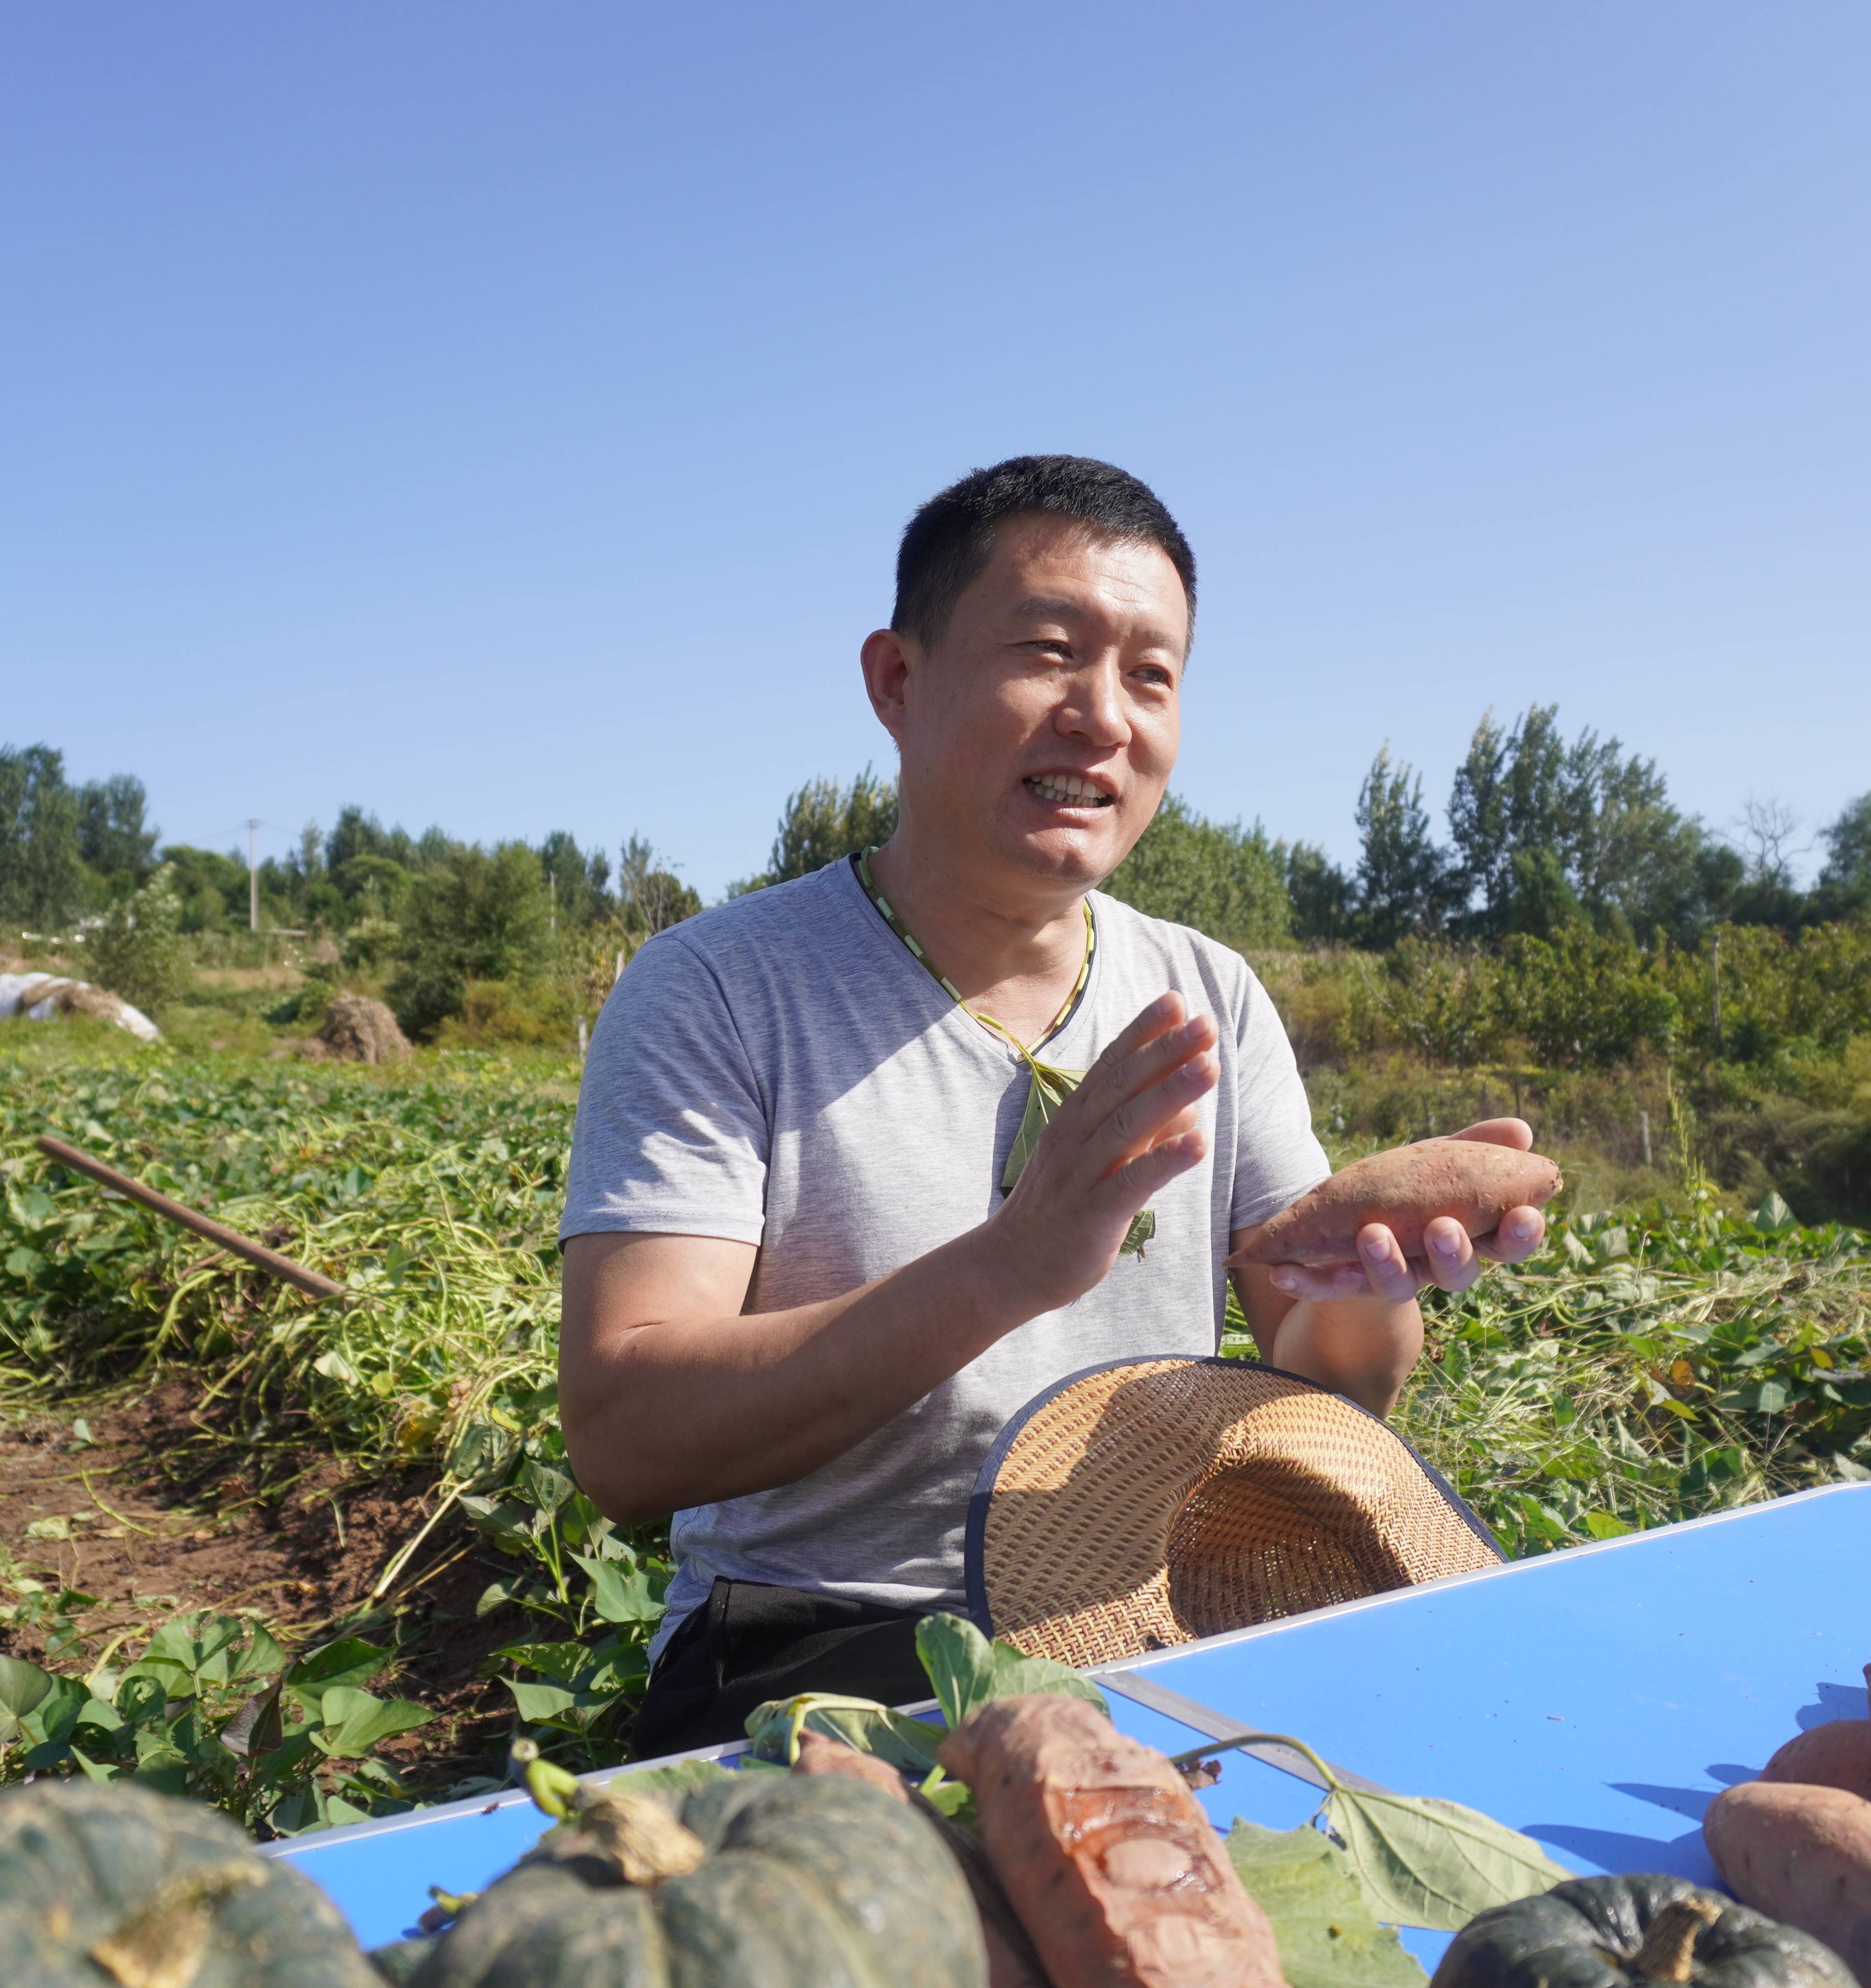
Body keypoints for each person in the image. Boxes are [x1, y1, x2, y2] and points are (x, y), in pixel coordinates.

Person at [558, 455, 1548, 1755]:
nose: (1104, 718)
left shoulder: (1210, 990)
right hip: (830, 1638)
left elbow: (1333, 1389)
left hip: (1154, 1615)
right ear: (898, 685)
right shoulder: (720, 989)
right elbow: (627, 1438)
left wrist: (1364, 1298)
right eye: (1049, 652)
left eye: (1152, 674)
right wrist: (1016, 1262)